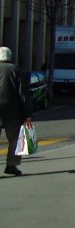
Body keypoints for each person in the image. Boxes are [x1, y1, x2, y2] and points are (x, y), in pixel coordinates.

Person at [0, 46, 34, 176]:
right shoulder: (15, 70)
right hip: (12, 110)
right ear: (9, 57)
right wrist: (28, 113)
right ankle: (11, 165)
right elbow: (23, 94)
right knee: (14, 138)